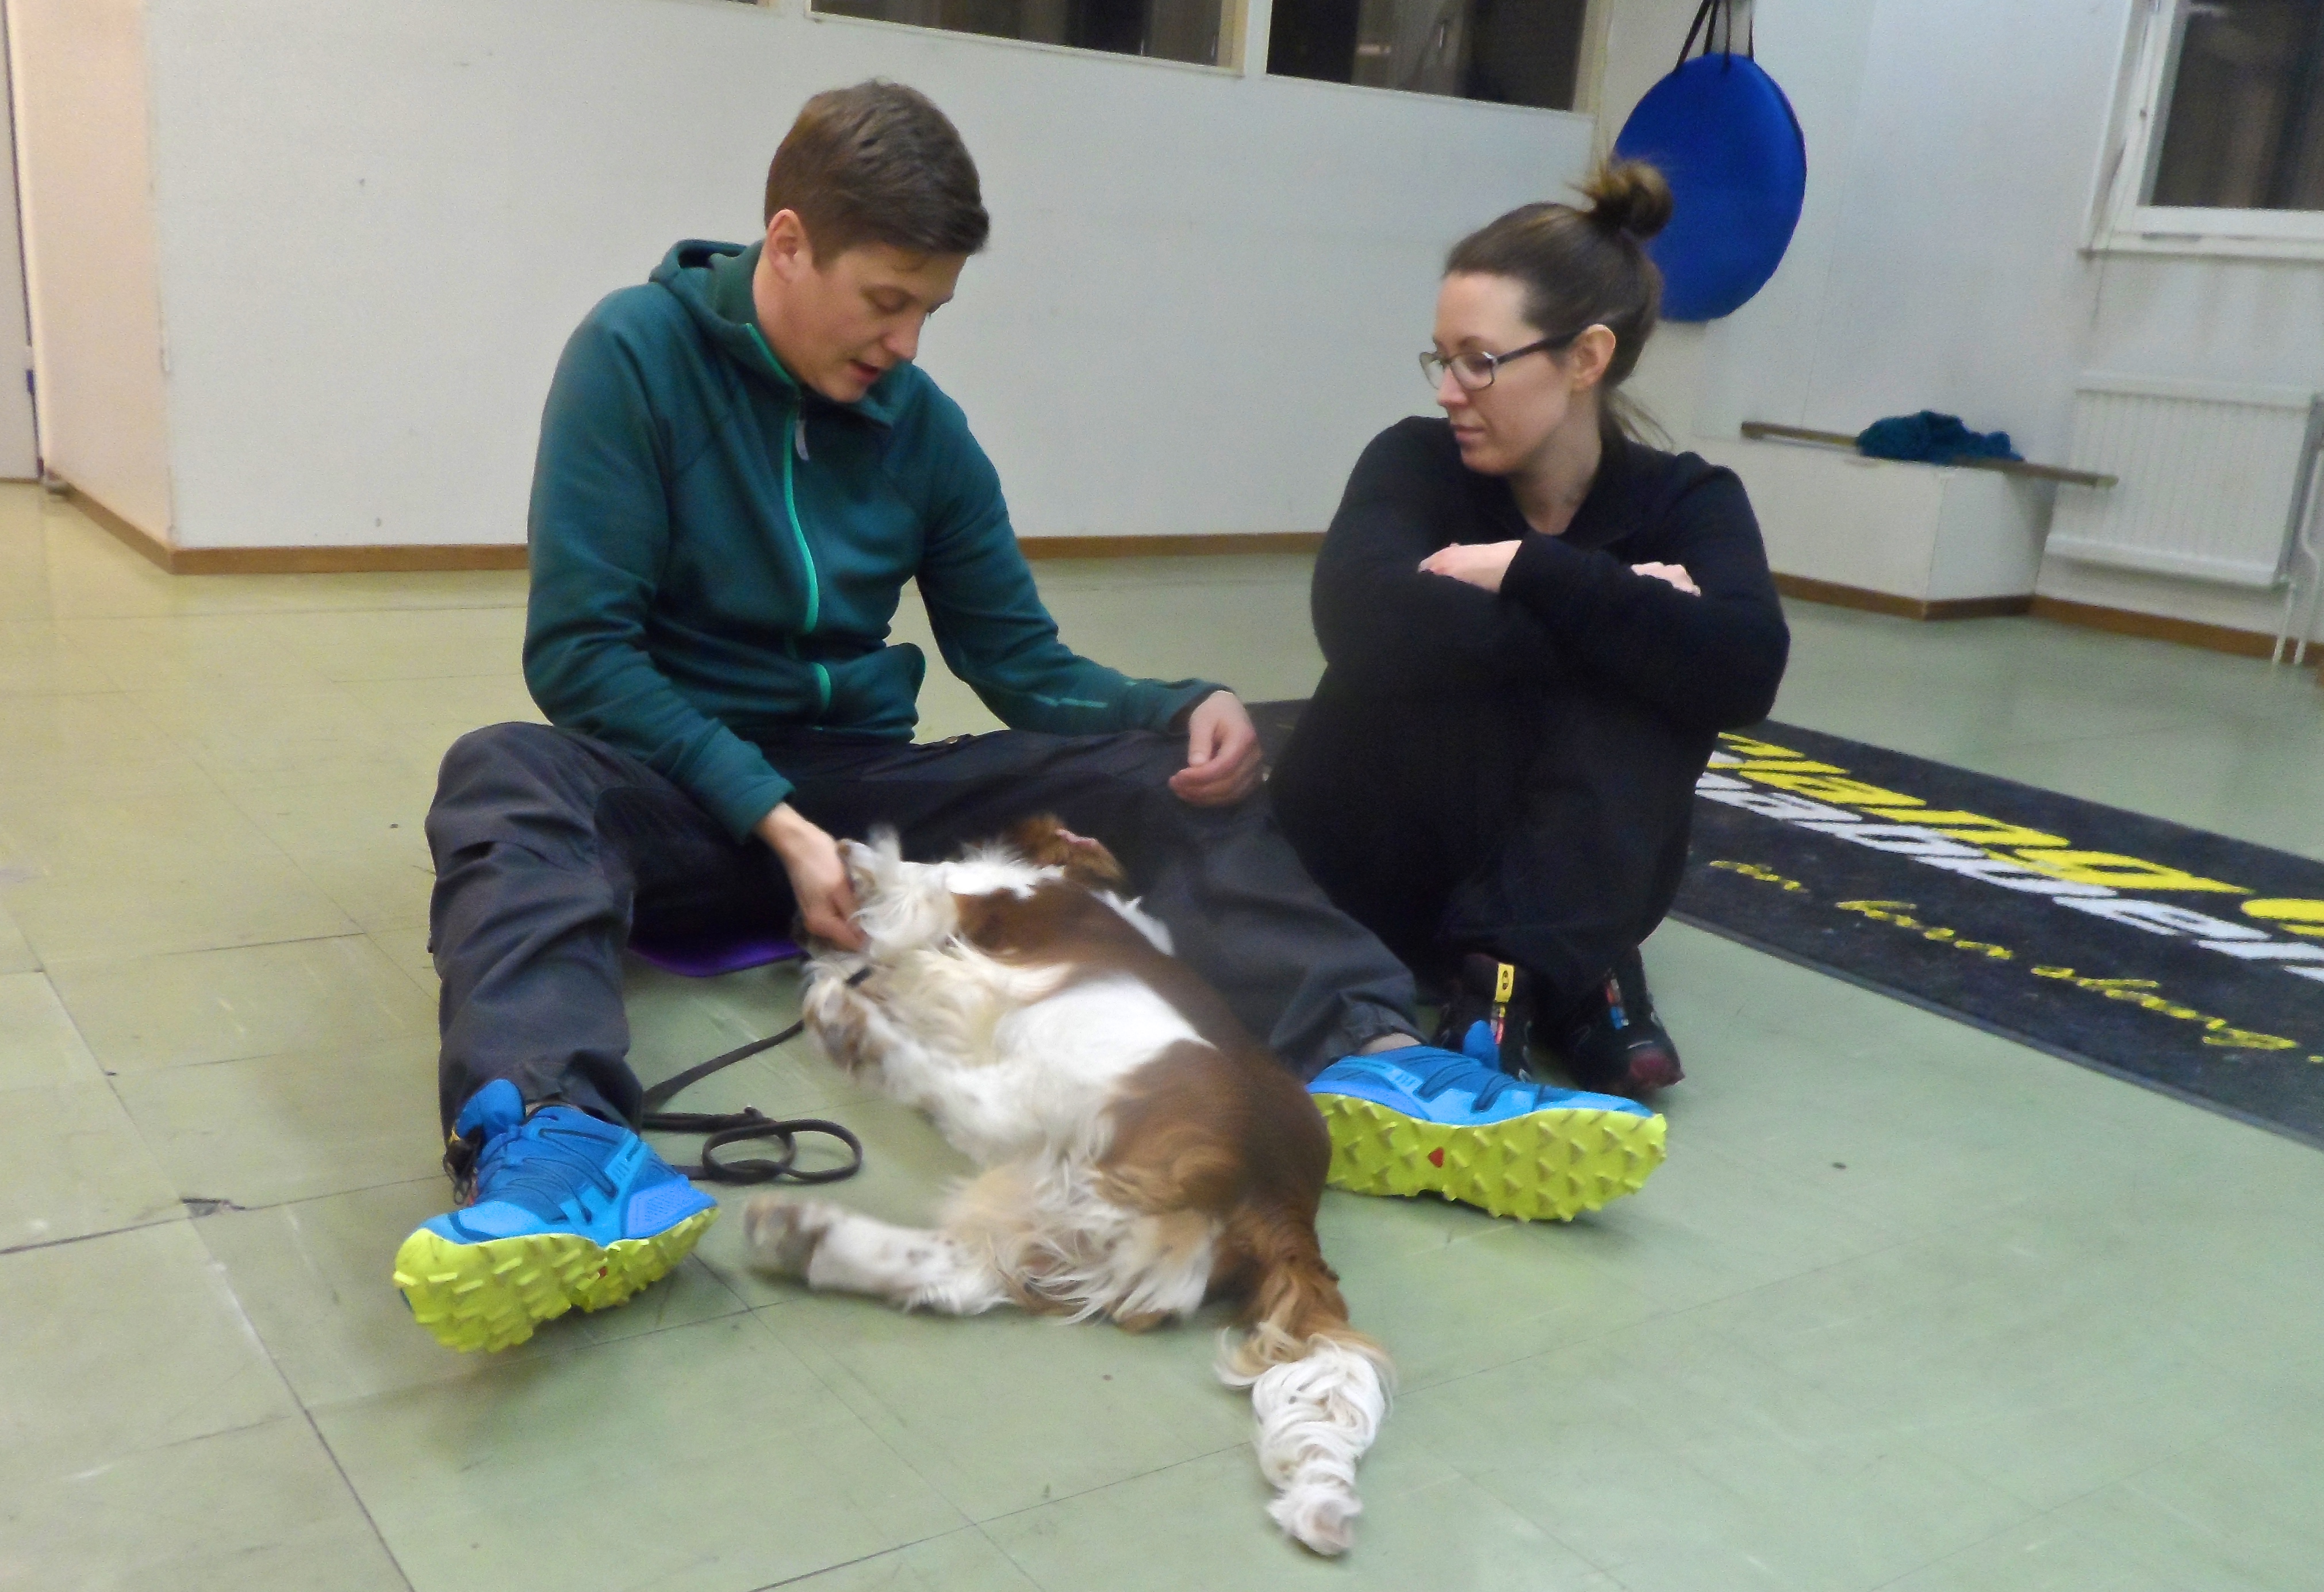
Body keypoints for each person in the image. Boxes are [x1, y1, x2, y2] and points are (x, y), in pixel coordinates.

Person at [394, 83, 1665, 1353]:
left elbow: (1015, 658)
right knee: (503, 771)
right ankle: (561, 1144)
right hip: (674, 796)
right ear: (787, 243)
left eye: (929, 311)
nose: (905, 342)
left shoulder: (920, 430)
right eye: (885, 300)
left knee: (1152, 772)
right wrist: (768, 818)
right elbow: (582, 652)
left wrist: (1182, 708)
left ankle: (1369, 1049)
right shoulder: (634, 356)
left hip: (861, 792)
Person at [1279, 162, 1790, 1103]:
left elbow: (1746, 671)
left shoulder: (1687, 498)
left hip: (1541, 876)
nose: (1450, 391)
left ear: (1585, 359)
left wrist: (1532, 569)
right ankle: (1581, 978)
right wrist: (1626, 607)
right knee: (1642, 658)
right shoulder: (1413, 462)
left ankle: (1502, 983)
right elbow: (1359, 621)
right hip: (1375, 865)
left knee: (1662, 668)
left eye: (1479, 360)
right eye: (1441, 359)